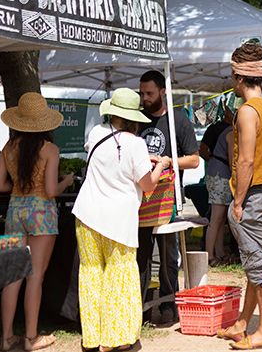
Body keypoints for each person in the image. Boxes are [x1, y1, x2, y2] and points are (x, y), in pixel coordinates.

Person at [72, 88, 170, 352]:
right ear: (134, 117)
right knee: (120, 276)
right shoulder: (137, 144)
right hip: (117, 221)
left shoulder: (95, 134)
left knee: (91, 275)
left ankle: (91, 339)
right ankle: (115, 340)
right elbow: (147, 184)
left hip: (86, 215)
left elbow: (111, 158)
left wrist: (140, 161)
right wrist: (160, 164)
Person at [0, 93, 74, 351]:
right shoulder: (50, 150)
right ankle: (31, 337)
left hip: (16, 210)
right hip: (42, 213)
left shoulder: (9, 148)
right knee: (35, 278)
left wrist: (18, 186)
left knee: (12, 277)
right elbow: (51, 190)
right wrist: (67, 181)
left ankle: (6, 338)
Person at [215, 42, 262, 350]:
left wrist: (238, 201)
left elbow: (246, 161)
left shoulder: (247, 111)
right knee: (257, 262)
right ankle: (243, 323)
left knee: (260, 267)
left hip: (253, 196)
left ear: (238, 78)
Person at [137, 70, 200, 324]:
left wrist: (166, 162)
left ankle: (168, 304)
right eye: (142, 93)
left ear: (163, 91)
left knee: (167, 256)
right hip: (140, 199)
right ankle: (139, 308)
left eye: (149, 93)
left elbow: (195, 159)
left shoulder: (178, 120)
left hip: (168, 200)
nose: (145, 98)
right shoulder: (137, 119)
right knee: (139, 255)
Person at [205, 115, 234, 266]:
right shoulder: (232, 133)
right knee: (216, 217)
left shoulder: (230, 131)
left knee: (220, 218)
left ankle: (220, 252)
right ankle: (209, 255)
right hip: (220, 175)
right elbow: (232, 160)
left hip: (218, 174)